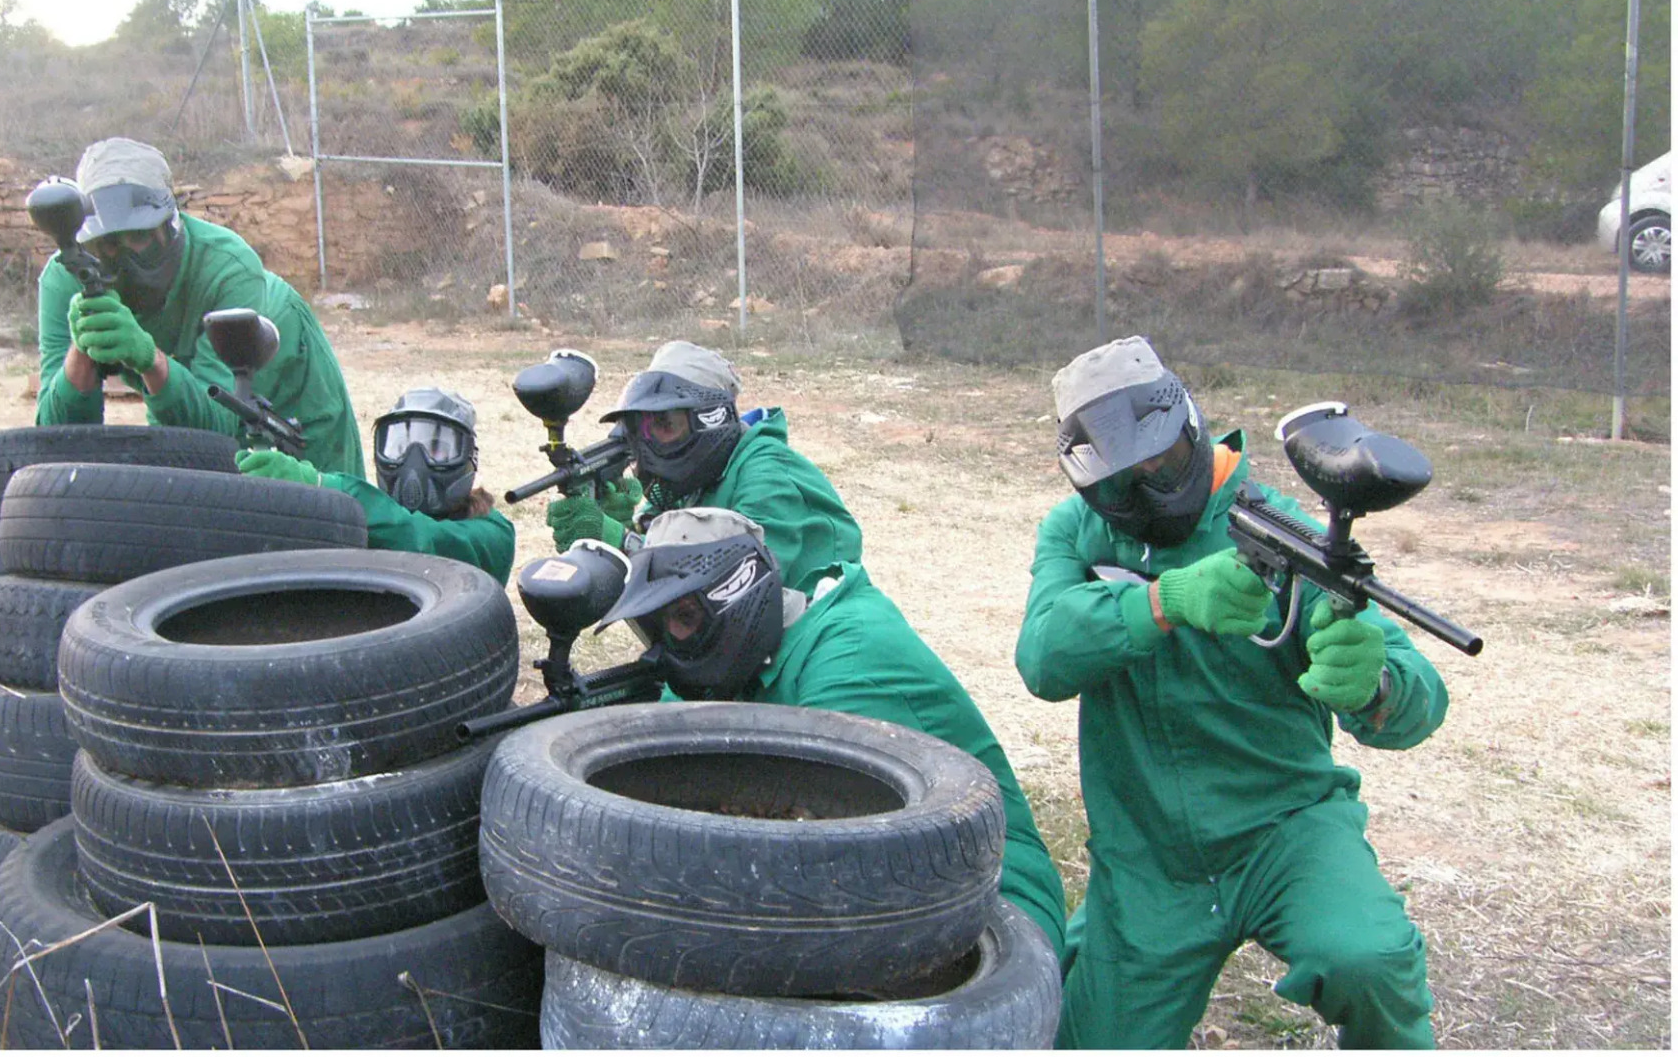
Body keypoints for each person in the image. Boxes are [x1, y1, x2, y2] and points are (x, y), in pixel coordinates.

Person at [1013, 335, 1448, 1049]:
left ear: (1192, 427)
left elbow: (1416, 701)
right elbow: (1042, 658)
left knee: (1368, 960)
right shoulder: (1077, 533)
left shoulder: (1281, 532)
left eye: (1165, 466)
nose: (1150, 492)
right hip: (1147, 856)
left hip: (1285, 832)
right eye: (1122, 484)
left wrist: (1373, 685)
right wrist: (1161, 603)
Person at [594, 506, 1069, 961]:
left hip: (991, 899)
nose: (664, 648)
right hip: (875, 902)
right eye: (653, 627)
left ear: (734, 602)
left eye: (682, 619)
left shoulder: (849, 665)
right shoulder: (719, 668)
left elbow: (837, 865)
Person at [34, 137, 365, 478]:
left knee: (328, 494)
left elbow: (221, 425)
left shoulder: (229, 268)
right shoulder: (67, 278)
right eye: (110, 244)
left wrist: (151, 361)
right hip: (184, 382)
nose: (128, 256)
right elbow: (56, 443)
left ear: (169, 227)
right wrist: (84, 348)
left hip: (282, 355)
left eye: (141, 237)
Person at [544, 341, 860, 595]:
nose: (648, 446)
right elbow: (666, 540)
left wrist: (623, 544)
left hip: (813, 642)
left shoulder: (769, 481)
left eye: (665, 426)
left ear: (710, 421)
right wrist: (627, 527)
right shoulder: (698, 473)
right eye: (640, 429)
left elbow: (733, 592)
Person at [237, 387, 514, 584]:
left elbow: (422, 540)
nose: (413, 461)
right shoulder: (381, 516)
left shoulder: (493, 533)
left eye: (437, 449)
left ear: (468, 457)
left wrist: (325, 486)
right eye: (399, 447)